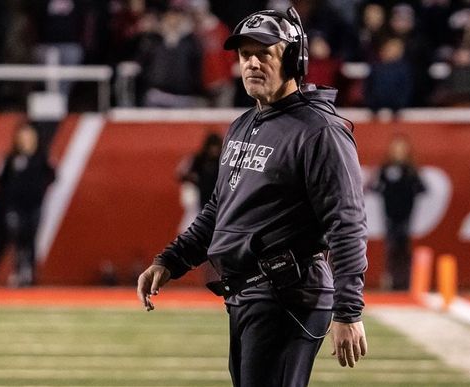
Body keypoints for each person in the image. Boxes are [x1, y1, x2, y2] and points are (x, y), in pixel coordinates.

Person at [137, 8, 368, 387]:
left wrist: (348, 311)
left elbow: (346, 223)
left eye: (266, 53)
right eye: (246, 55)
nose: (253, 63)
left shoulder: (320, 131)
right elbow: (218, 209)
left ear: (293, 60)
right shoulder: (243, 124)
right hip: (247, 293)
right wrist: (172, 260)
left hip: (288, 294)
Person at [0, 123, 55, 287]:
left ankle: (30, 272)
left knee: (31, 238)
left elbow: (53, 175)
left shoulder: (41, 157)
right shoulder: (11, 158)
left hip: (34, 204)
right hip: (15, 205)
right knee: (17, 236)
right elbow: (0, 179)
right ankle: (17, 270)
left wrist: (39, 189)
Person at [371, 134, 426, 291]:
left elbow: (422, 187)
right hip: (389, 214)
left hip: (405, 215)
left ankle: (405, 282)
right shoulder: (385, 168)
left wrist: (409, 194)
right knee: (391, 247)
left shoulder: (410, 170)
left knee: (403, 248)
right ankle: (391, 280)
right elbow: (374, 186)